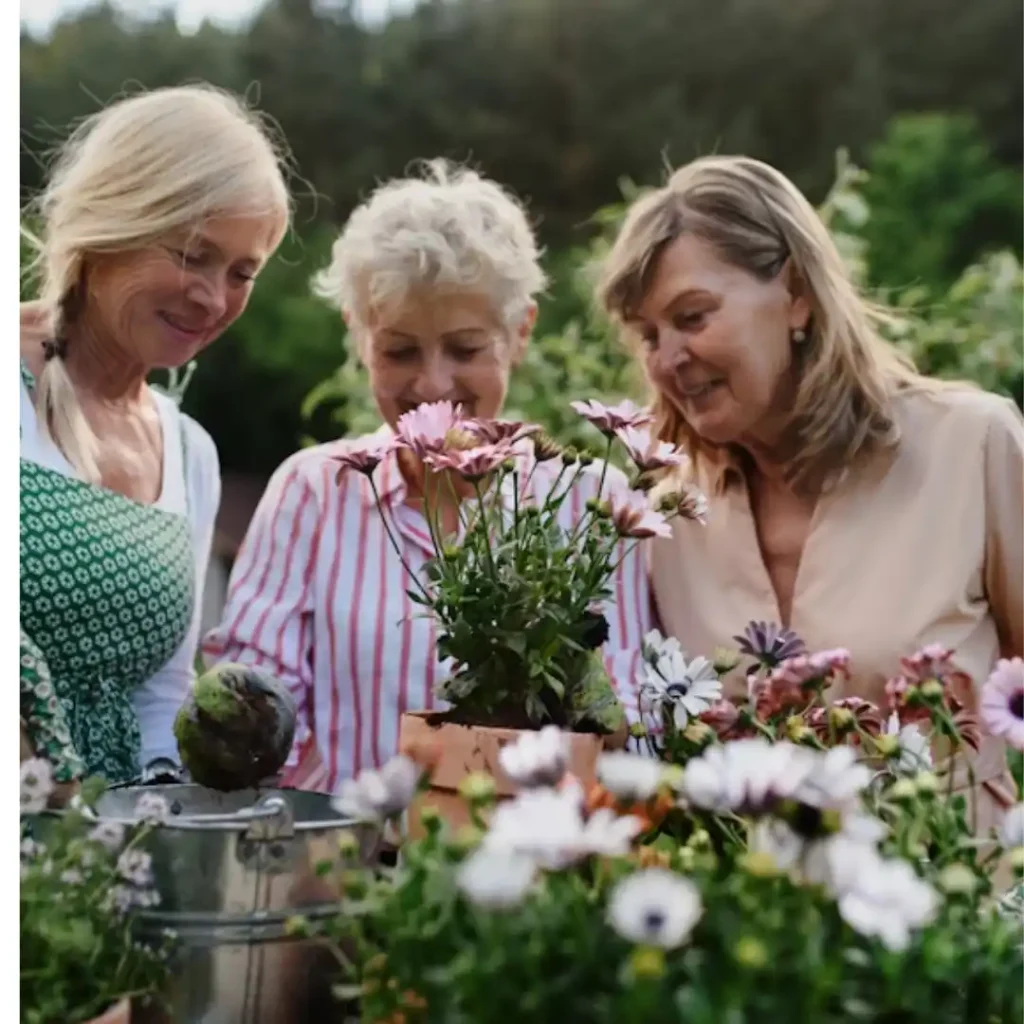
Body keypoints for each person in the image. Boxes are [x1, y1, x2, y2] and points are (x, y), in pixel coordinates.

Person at [597, 154, 1022, 831]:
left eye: (693, 316)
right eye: (650, 335)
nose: (668, 358)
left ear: (795, 293)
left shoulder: (972, 446)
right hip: (763, 924)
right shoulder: (665, 514)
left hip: (962, 913)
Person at [203, 161, 651, 793]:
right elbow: (250, 713)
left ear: (520, 333)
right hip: (337, 866)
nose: (433, 385)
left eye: (466, 349)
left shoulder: (593, 503)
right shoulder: (312, 491)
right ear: (357, 338)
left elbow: (633, 716)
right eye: (399, 350)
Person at [20, 85, 291, 795]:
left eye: (242, 273)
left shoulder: (188, 450)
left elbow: (162, 690)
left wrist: (161, 813)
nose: (214, 298)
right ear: (115, 223)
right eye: (194, 254)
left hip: (108, 856)